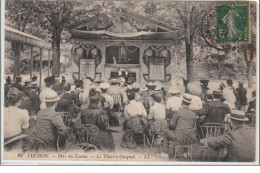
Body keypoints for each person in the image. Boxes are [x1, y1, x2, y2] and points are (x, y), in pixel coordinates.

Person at [162, 93, 197, 158]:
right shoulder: (193, 114)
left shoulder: (178, 112)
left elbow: (172, 125)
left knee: (165, 131)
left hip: (179, 138)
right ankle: (185, 152)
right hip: (190, 139)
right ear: (189, 103)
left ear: (182, 102)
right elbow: (194, 127)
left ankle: (165, 153)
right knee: (186, 131)